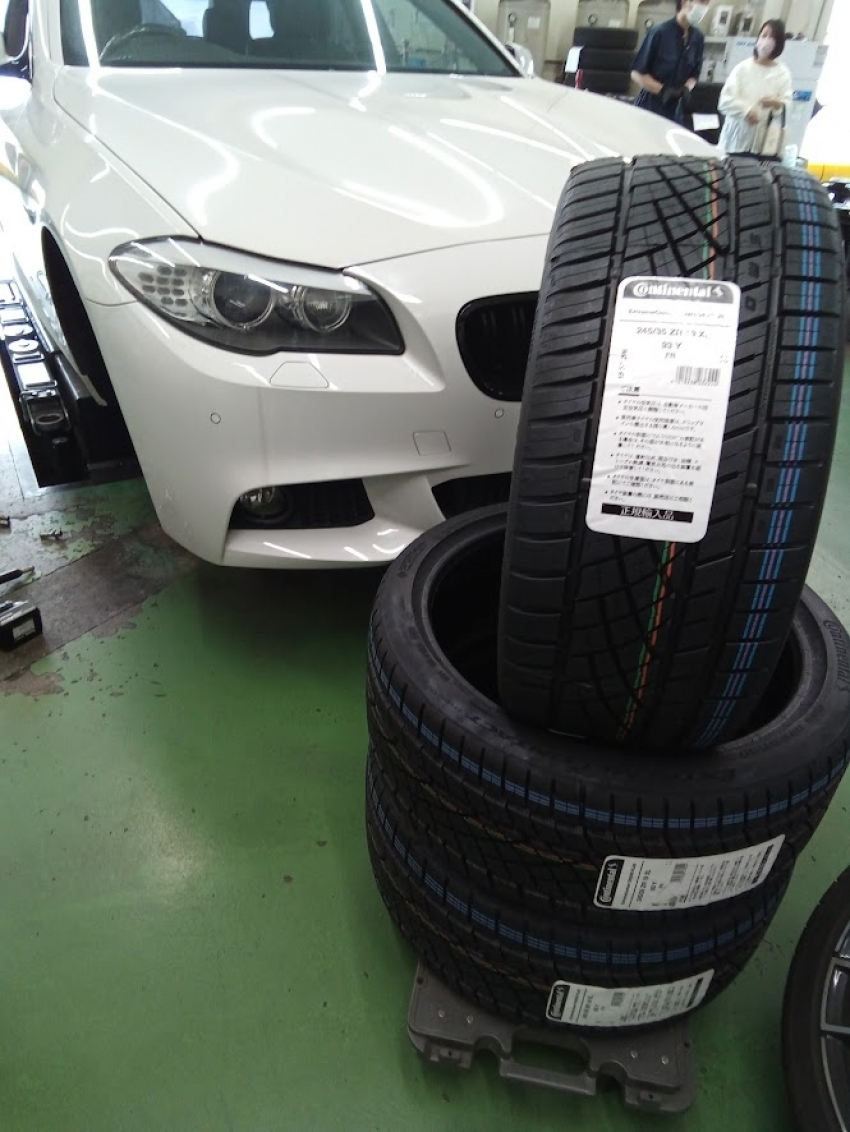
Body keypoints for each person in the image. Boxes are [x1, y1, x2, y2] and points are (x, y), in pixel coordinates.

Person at [718, 21, 793, 156]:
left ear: (779, 43)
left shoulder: (783, 73)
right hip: (735, 142)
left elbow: (788, 105)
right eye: (764, 35)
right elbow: (724, 102)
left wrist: (776, 103)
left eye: (772, 37)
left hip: (764, 145)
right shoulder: (742, 68)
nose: (766, 41)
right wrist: (745, 111)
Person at [631, 0, 708, 124]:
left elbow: (695, 73)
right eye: (702, 1)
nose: (704, 7)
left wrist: (687, 88)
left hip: (676, 112)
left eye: (707, 3)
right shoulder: (659, 33)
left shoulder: (698, 38)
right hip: (649, 108)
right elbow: (637, 73)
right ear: (684, 2)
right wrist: (664, 91)